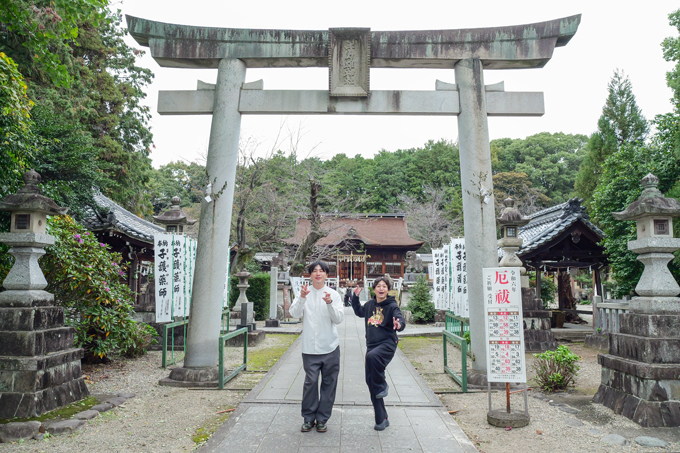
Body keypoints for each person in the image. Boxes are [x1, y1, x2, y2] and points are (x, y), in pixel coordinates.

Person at [289, 261, 344, 433]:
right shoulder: (304, 292)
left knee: (329, 384)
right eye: (315, 271)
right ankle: (308, 417)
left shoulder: (334, 294)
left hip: (330, 347)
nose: (318, 273)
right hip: (310, 349)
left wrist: (329, 303)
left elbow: (338, 319)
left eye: (322, 271)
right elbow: (294, 314)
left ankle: (322, 419)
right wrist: (302, 298)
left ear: (327, 274)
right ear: (310, 274)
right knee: (310, 382)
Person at [351, 277, 405, 431]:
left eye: (384, 286)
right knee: (370, 382)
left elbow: (400, 318)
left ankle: (382, 384)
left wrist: (399, 324)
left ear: (388, 289)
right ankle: (382, 418)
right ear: (373, 289)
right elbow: (359, 312)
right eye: (378, 286)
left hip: (387, 344)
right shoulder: (369, 305)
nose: (381, 289)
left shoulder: (392, 306)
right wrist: (354, 297)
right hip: (372, 345)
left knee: (372, 358)